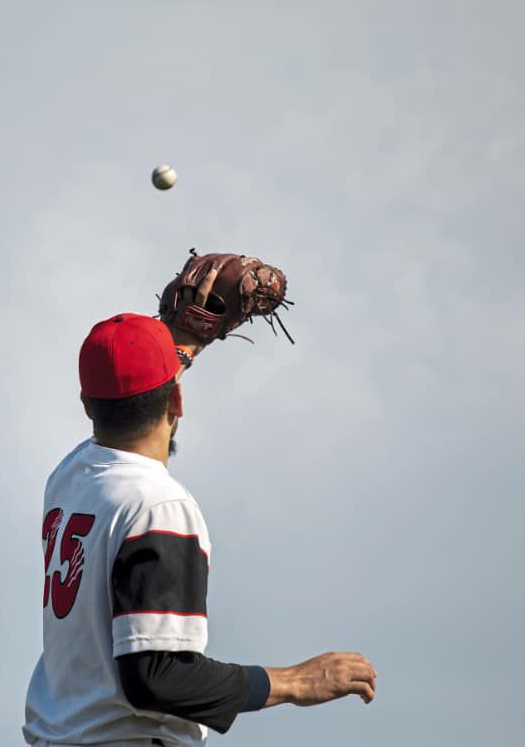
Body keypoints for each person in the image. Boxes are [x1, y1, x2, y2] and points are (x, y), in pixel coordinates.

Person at [23, 313, 377, 747]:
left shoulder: (69, 475)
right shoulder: (159, 506)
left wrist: (180, 349)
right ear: (177, 402)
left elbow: (123, 384)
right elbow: (158, 679)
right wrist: (292, 682)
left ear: (85, 403)